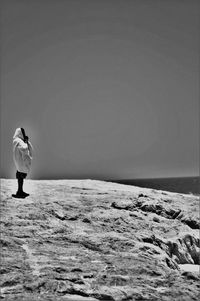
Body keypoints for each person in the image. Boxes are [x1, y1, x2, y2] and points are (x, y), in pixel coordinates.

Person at [13, 127, 33, 198]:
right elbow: (24, 148)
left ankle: (20, 191)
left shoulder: (16, 140)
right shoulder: (19, 141)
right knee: (20, 176)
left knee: (20, 177)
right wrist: (25, 142)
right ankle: (19, 191)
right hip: (21, 162)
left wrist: (26, 141)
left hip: (19, 162)